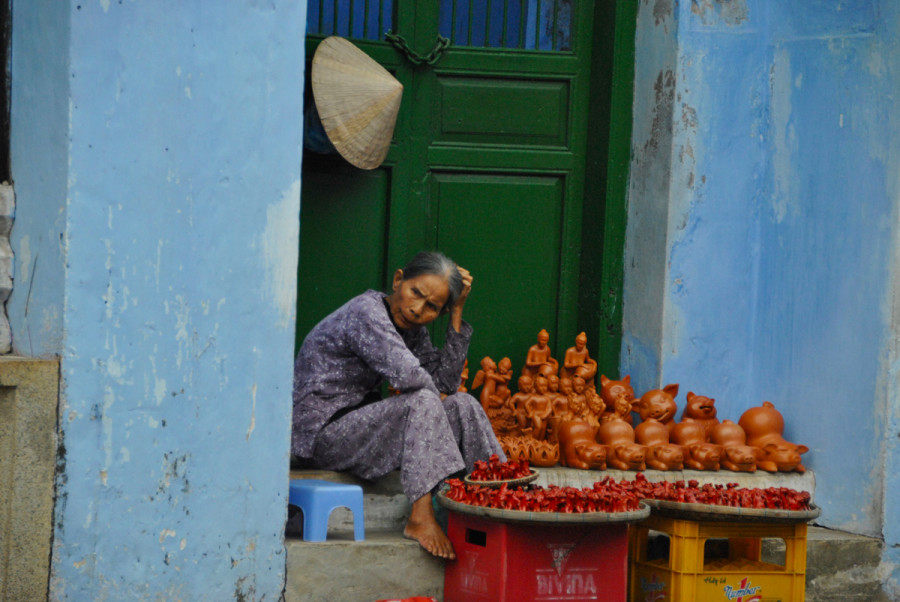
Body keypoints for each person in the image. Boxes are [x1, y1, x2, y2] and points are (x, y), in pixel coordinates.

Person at [291, 251, 505, 559]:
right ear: (398, 279)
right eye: (415, 292)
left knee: (463, 405)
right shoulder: (366, 313)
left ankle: (505, 496)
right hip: (321, 435)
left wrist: (457, 310)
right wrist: (433, 414)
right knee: (421, 399)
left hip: (362, 432)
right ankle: (420, 516)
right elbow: (413, 378)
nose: (417, 309)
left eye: (432, 307)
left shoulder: (411, 330)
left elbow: (445, 384)